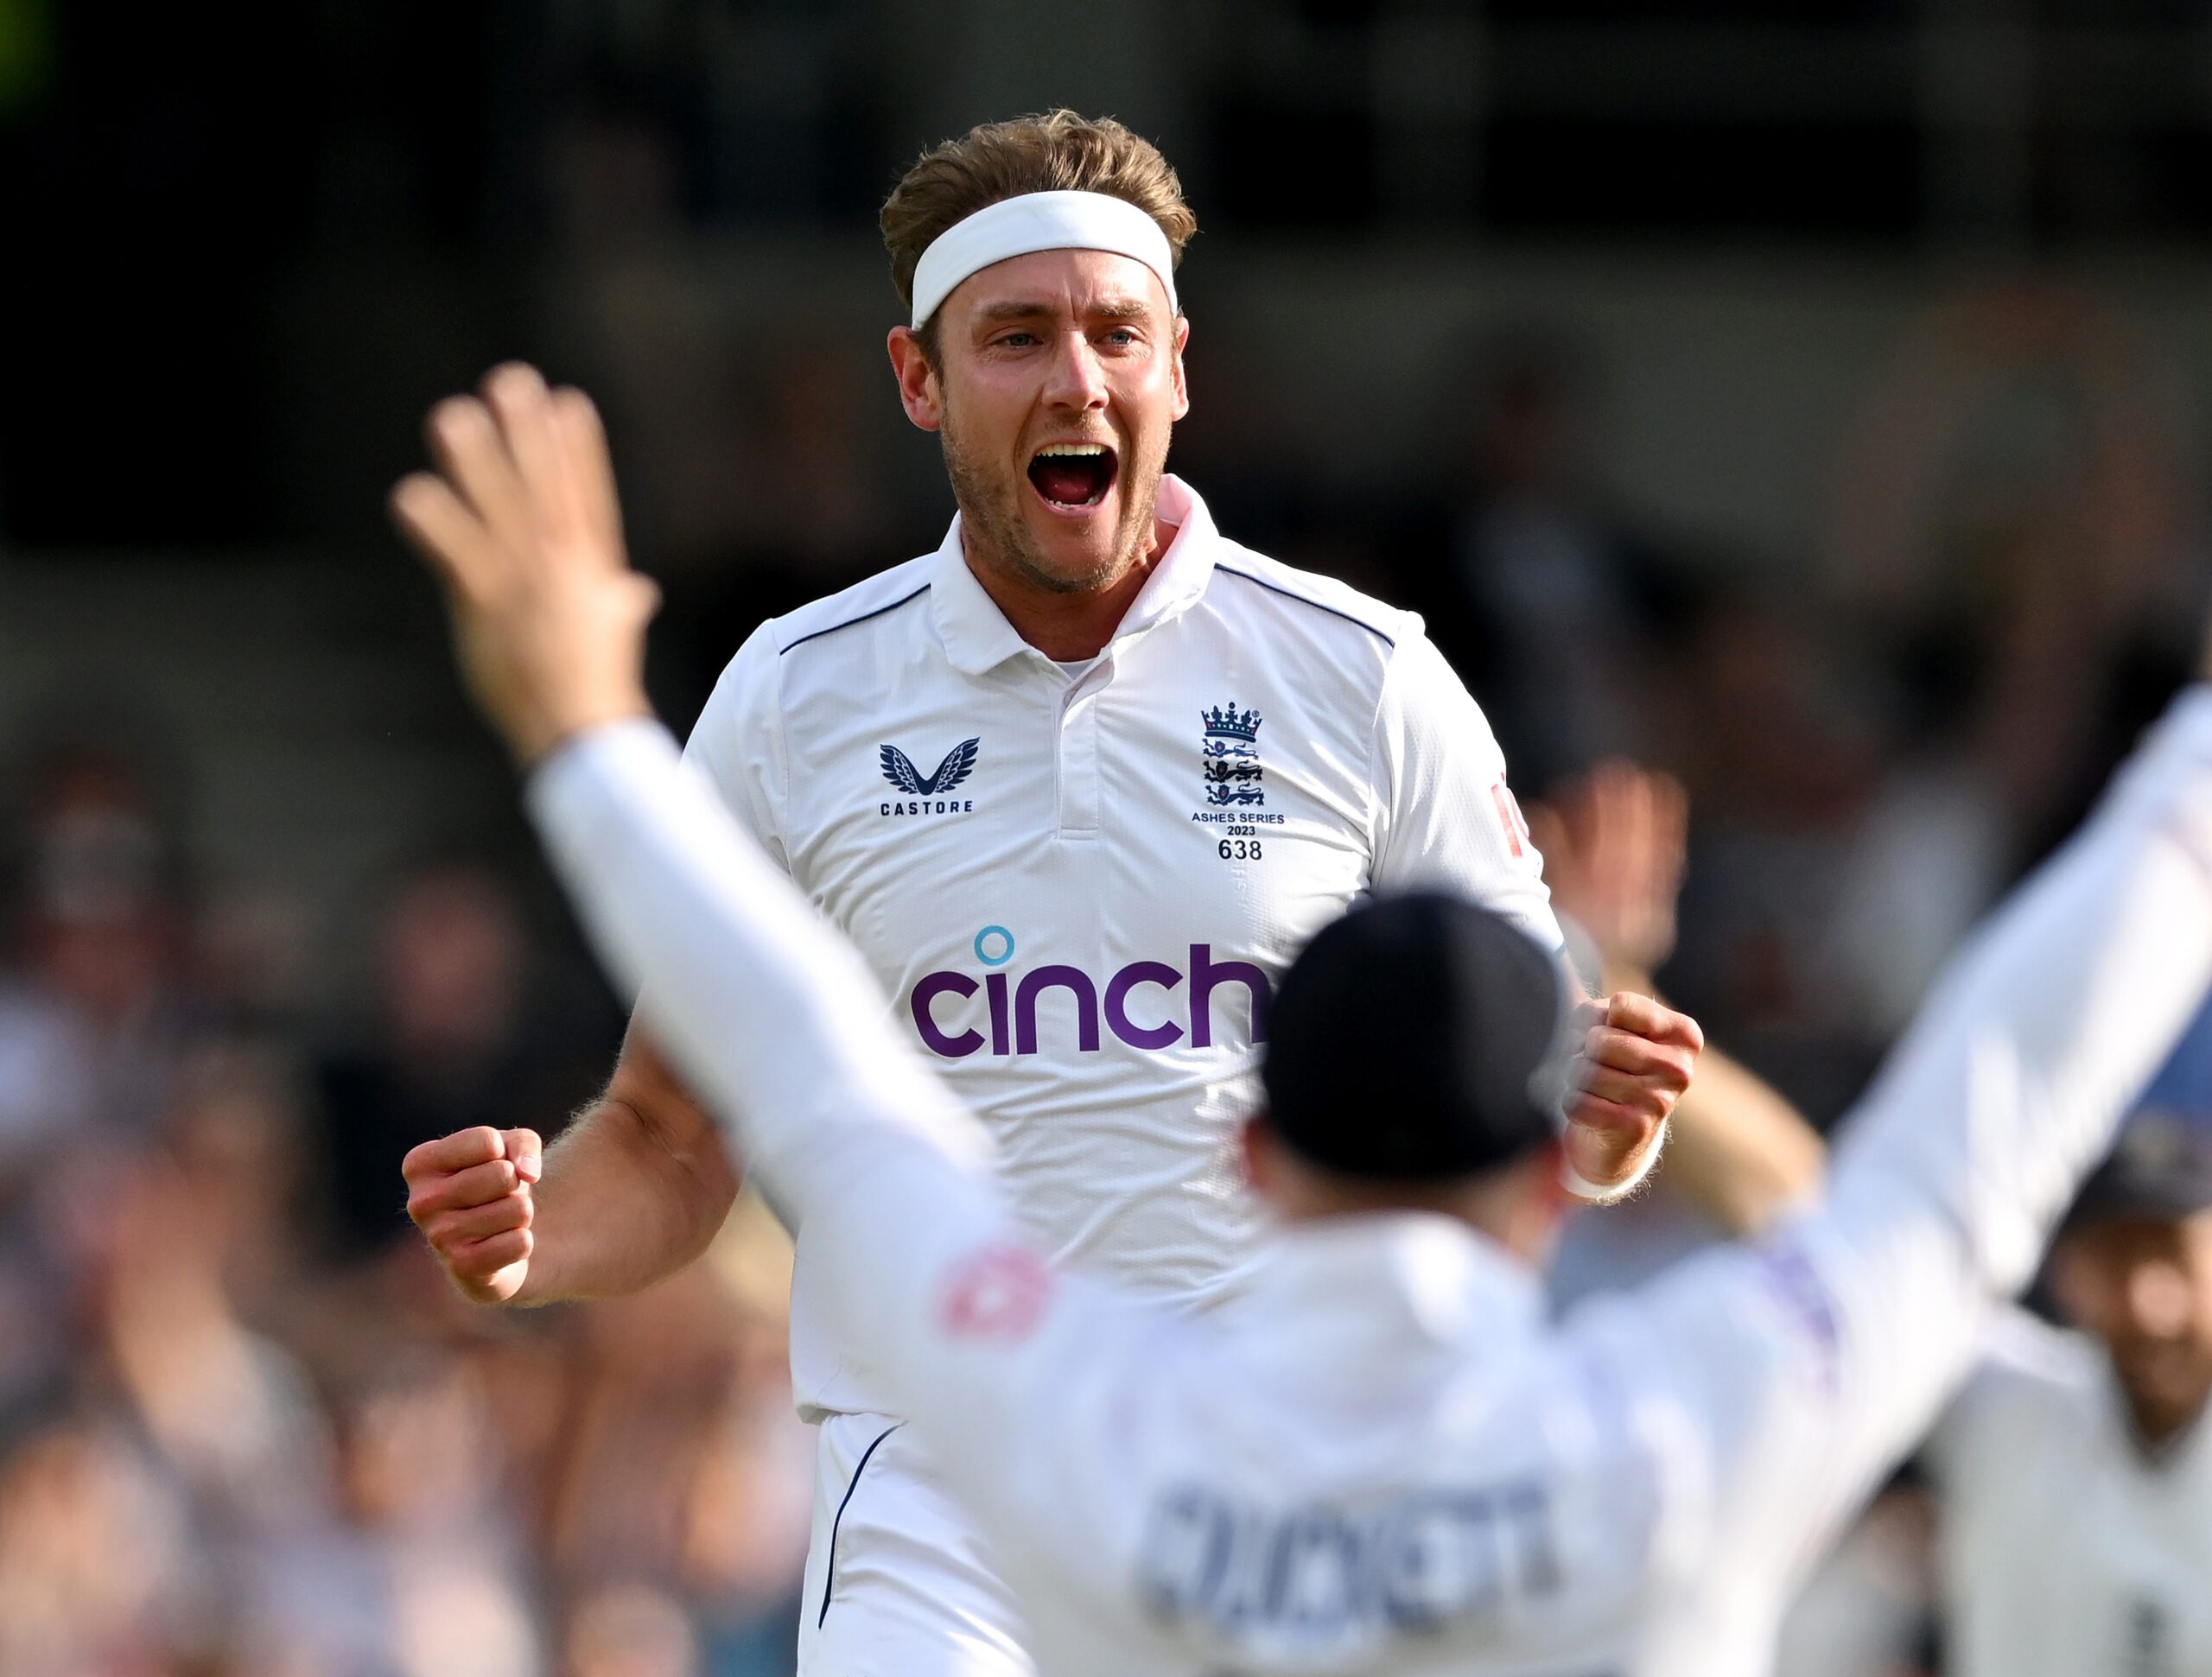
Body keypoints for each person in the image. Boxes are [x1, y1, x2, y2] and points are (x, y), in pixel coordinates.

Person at [394, 345, 2212, 1675]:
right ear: (1538, 1187)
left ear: (1251, 1153)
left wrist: (577, 721)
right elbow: (1987, 1110)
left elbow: (824, 1096)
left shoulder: (1070, 1423)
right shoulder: (1691, 1420)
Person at [394, 111, 1752, 1674]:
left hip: (1298, 1477)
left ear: (1176, 363)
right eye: (1016, 336)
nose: (1076, 381)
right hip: (941, 1487)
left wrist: (1598, 1114)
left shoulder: (1364, 674)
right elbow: (671, 1135)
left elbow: (1515, 1108)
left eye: (1114, 332)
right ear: (920, 380)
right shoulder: (795, 694)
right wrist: (533, 1232)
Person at [1923, 1018, 2212, 1675]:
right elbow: (1832, 1249)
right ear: (2065, 1272)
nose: (2148, 1305)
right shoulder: (2005, 1404)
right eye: (2115, 1259)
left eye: (2172, 1253)